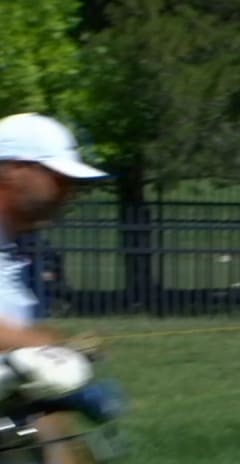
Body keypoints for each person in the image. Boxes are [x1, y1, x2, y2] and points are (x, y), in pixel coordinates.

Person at [0, 112, 109, 463]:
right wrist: (53, 348)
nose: (70, 192)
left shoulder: (16, 252)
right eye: (58, 178)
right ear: (11, 170)